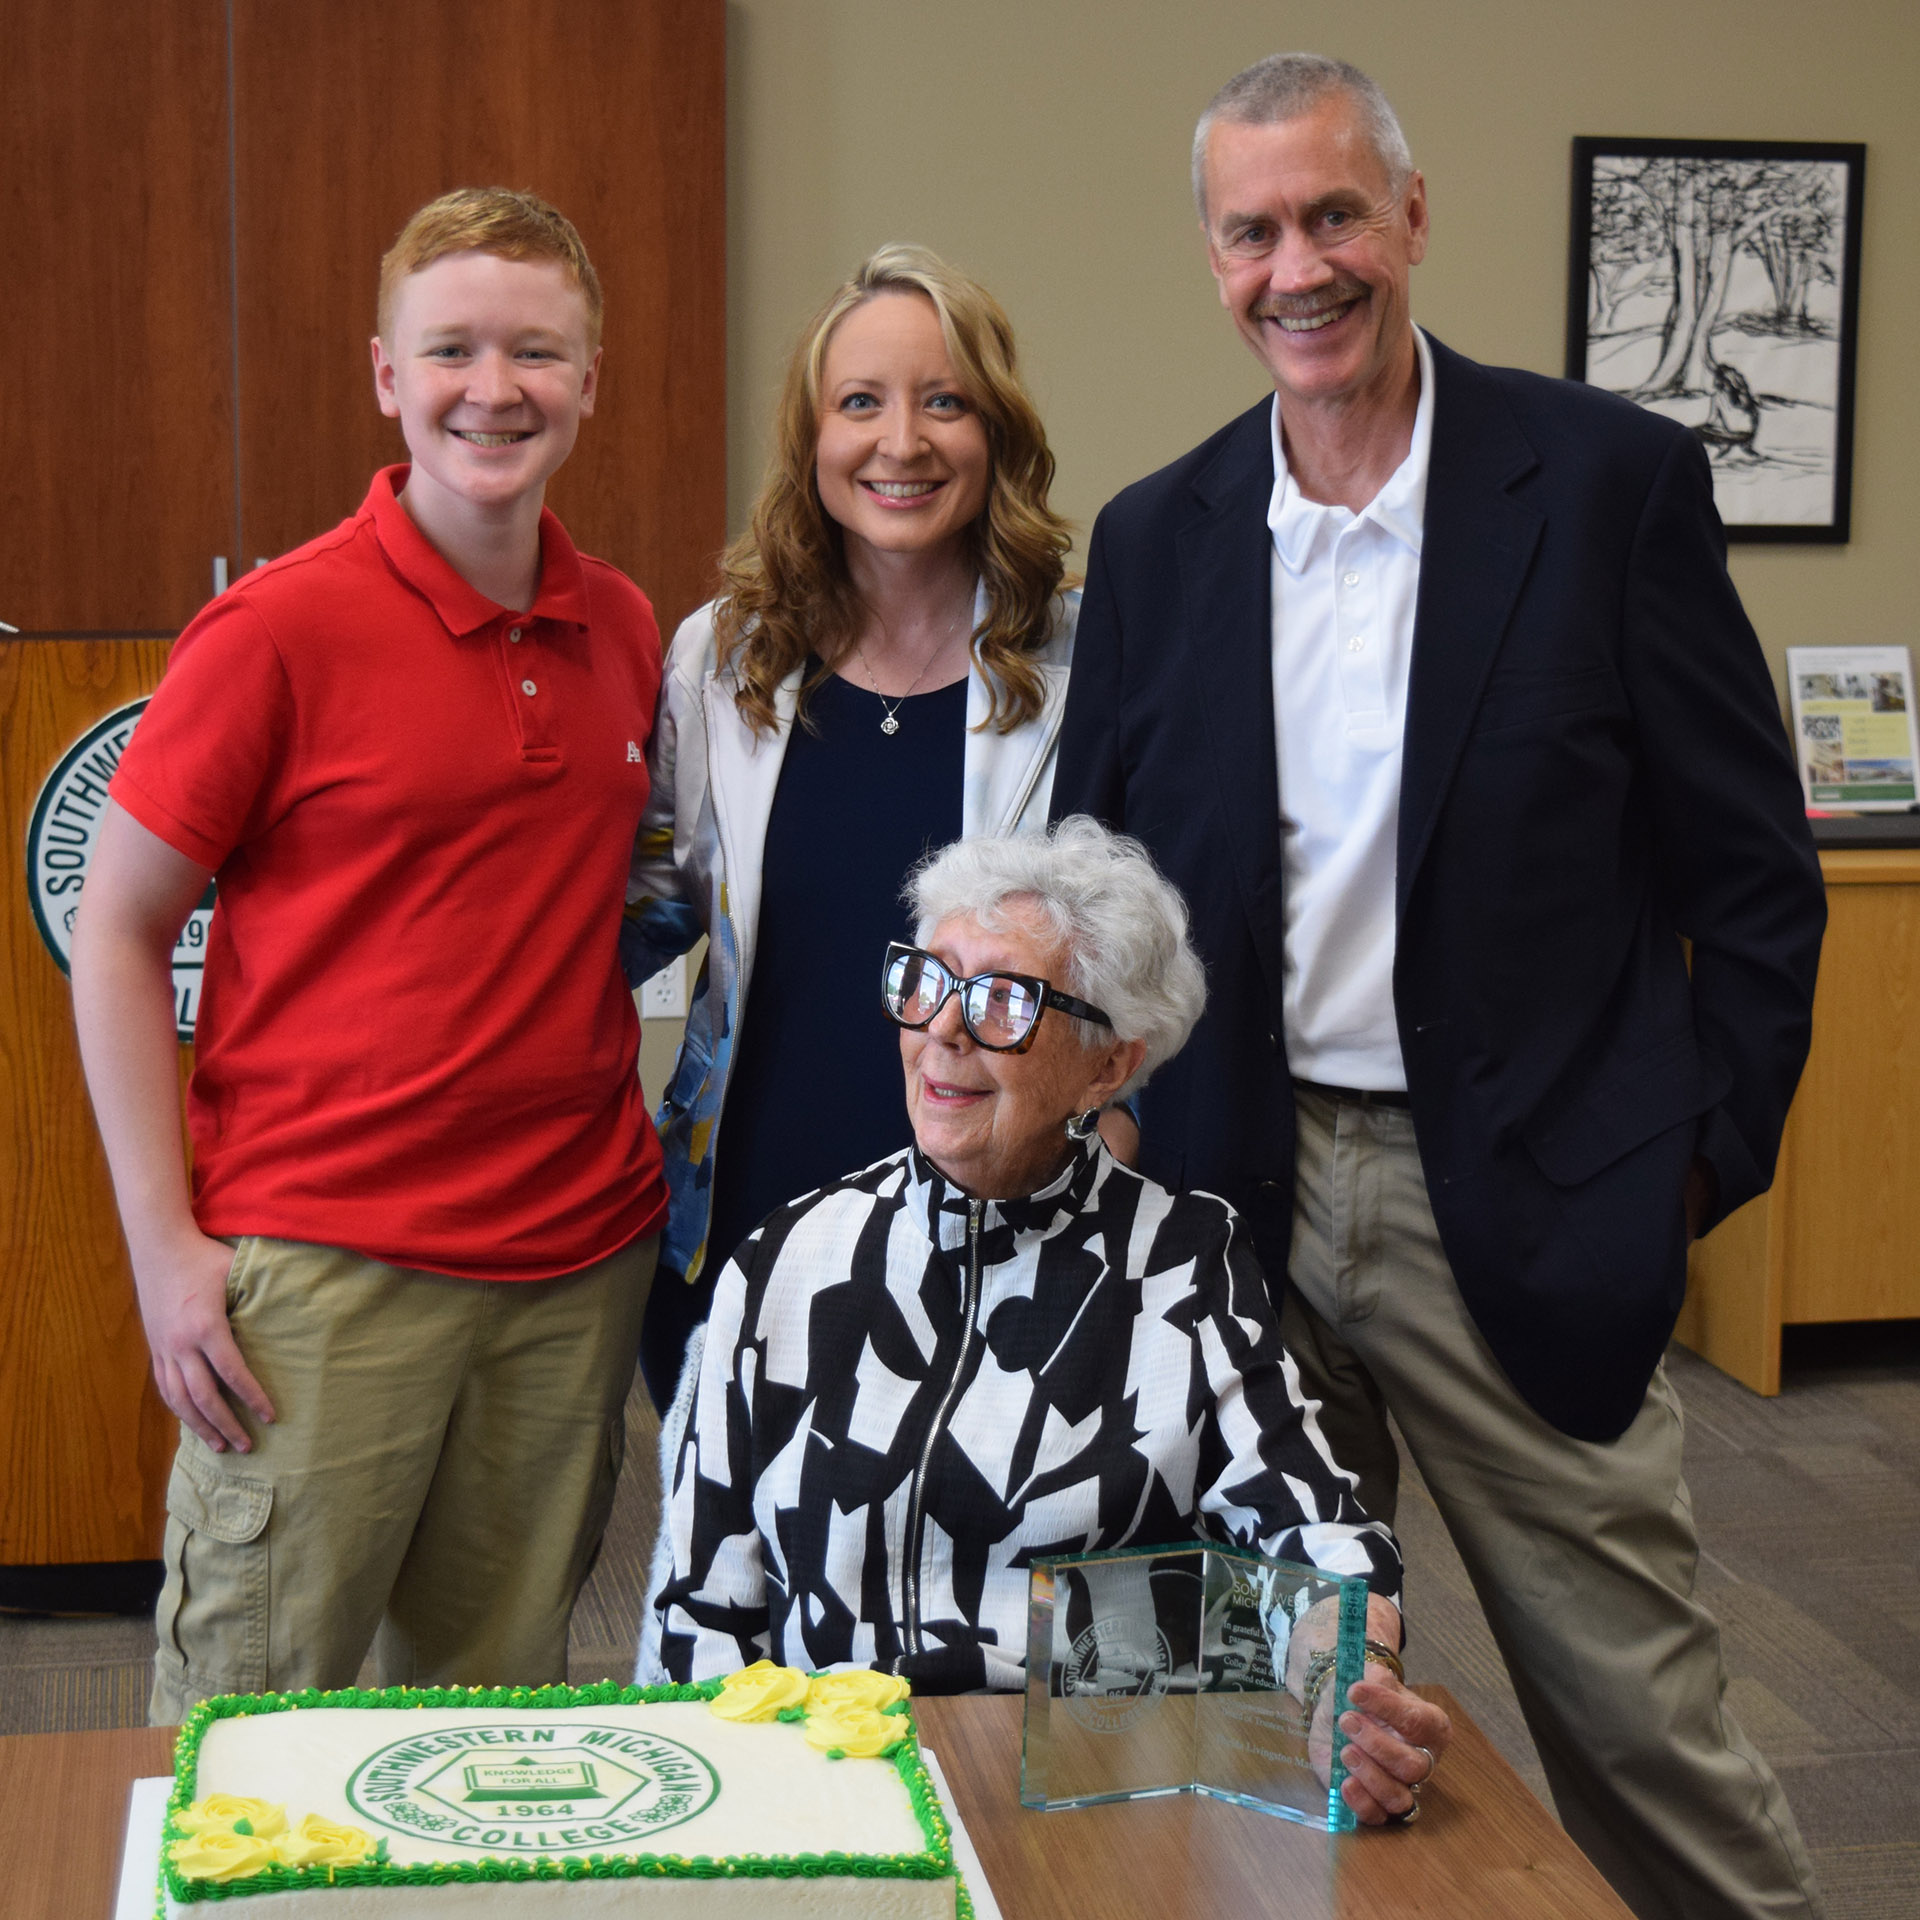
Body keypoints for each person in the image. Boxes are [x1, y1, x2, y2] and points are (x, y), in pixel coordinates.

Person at [1050, 52, 1828, 1920]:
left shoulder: (1610, 486)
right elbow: (1101, 884)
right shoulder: (1161, 539)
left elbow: (1756, 876)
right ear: (1213, 258)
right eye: (1253, 232)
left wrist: (1687, 1169)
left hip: (1529, 1194)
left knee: (1639, 1729)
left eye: (1332, 215)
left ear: (1409, 220)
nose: (1296, 266)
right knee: (1259, 1713)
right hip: (1236, 1197)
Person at [70, 188, 667, 1719]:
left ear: (591, 380)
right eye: (452, 349)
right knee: (245, 1740)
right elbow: (119, 935)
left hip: (570, 1268)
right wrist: (163, 1254)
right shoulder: (276, 632)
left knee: (490, 1737)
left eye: (537, 351)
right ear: (386, 378)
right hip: (325, 1278)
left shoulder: (624, 630)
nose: (495, 387)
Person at [651, 819, 1452, 1826]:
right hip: (825, 1792)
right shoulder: (788, 1265)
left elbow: (1316, 1533)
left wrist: (1351, 1672)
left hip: (1089, 1795)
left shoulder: (1182, 1265)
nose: (944, 1028)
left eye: (1001, 1001)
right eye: (929, 981)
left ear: (1107, 1067)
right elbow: (696, 1610)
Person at [625, 245, 1078, 1406]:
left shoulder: (1084, 661)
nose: (902, 442)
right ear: (811, 438)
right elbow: (647, 914)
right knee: (740, 1567)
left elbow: (1133, 952)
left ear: (998, 432)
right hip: (754, 1200)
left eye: (945, 402)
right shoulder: (722, 657)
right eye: (860, 403)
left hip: (998, 1213)